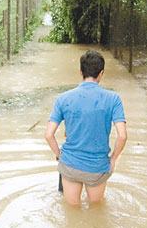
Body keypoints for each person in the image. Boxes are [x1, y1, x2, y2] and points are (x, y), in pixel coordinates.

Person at [45, 50, 127, 206]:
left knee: (71, 210)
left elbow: (49, 135)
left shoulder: (63, 98)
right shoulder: (113, 99)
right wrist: (113, 159)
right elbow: (122, 136)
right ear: (101, 73)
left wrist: (59, 155)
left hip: (70, 165)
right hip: (97, 167)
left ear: (80, 72)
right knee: (96, 209)